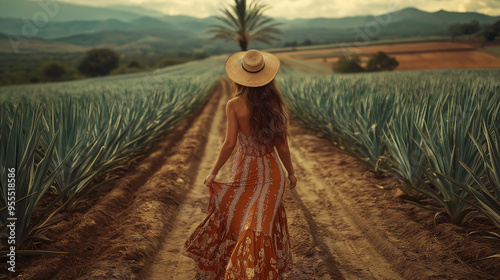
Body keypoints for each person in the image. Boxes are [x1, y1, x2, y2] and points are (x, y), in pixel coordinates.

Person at [182, 49, 297, 279]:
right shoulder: (275, 105)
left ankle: (248, 272)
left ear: (240, 77)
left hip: (244, 171)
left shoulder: (234, 105)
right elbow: (282, 147)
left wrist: (213, 172)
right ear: (268, 78)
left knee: (246, 222)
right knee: (260, 224)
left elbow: (229, 143)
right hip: (272, 176)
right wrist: (291, 173)